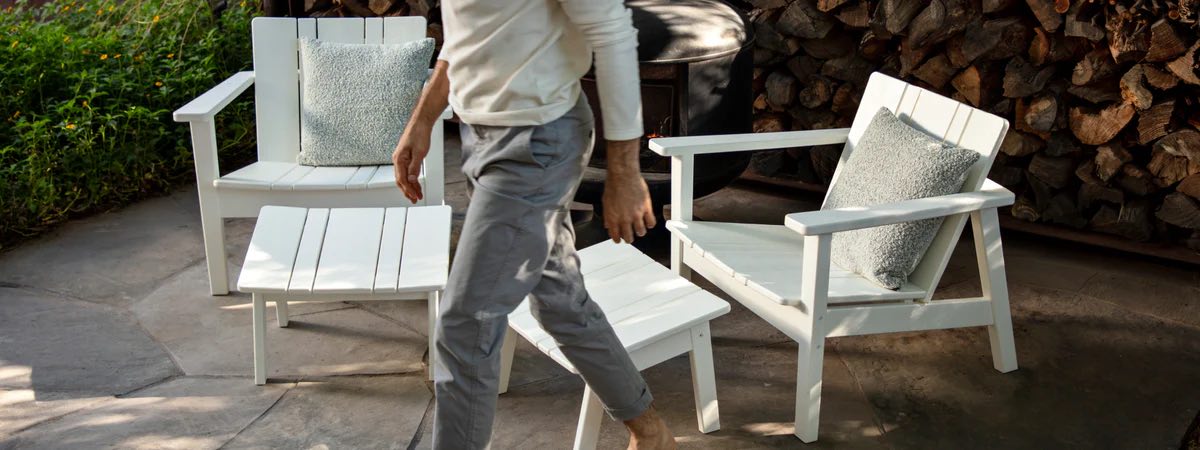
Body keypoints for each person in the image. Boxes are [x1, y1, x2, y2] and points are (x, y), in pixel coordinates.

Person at [390, 0, 676, 448]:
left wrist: (624, 170)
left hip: (534, 146)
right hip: (482, 136)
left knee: (467, 325)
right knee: (559, 299)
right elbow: (470, 33)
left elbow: (614, 35)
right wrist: (423, 117)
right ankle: (651, 432)